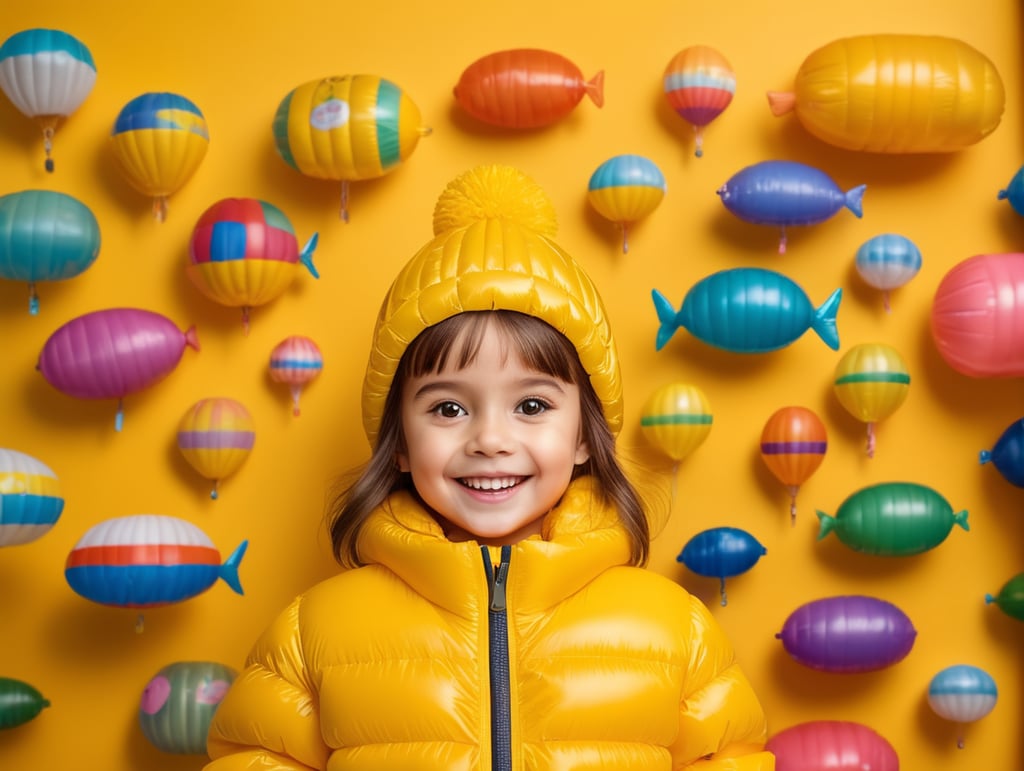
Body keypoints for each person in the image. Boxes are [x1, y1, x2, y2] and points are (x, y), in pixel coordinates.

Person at [204, 165, 774, 770]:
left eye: (531, 405)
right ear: (399, 442)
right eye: (449, 407)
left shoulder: (675, 629)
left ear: (585, 435)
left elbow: (733, 757)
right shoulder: (312, 632)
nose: (491, 439)